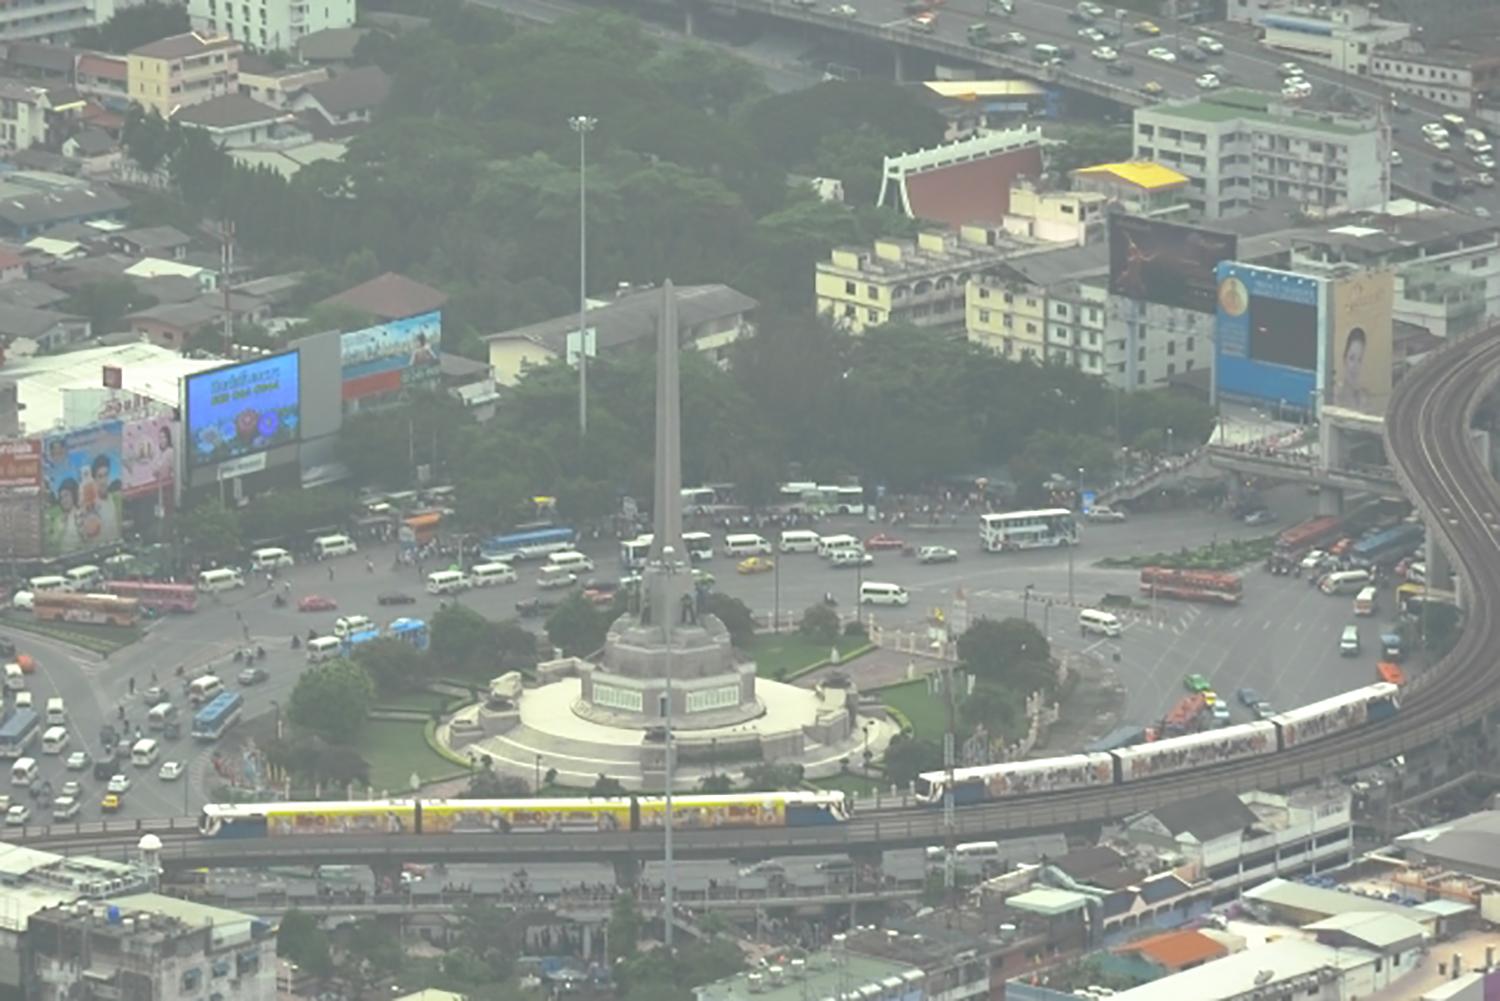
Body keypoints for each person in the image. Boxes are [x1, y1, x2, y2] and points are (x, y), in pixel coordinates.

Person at [1335, 326, 1368, 410]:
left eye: (1359, 360)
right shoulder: (1336, 395)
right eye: (1352, 358)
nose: (1355, 366)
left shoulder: (1364, 398)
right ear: (1344, 359)